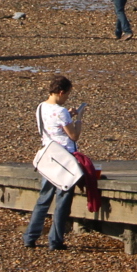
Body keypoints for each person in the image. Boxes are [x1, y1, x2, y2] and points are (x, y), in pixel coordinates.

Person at [23, 75, 81, 250]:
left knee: (44, 199)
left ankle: (30, 237)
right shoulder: (61, 111)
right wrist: (78, 120)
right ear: (61, 92)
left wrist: (68, 115)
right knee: (62, 201)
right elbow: (74, 135)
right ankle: (55, 240)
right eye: (67, 95)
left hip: (49, 156)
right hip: (64, 159)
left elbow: (52, 124)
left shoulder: (41, 107)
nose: (67, 98)